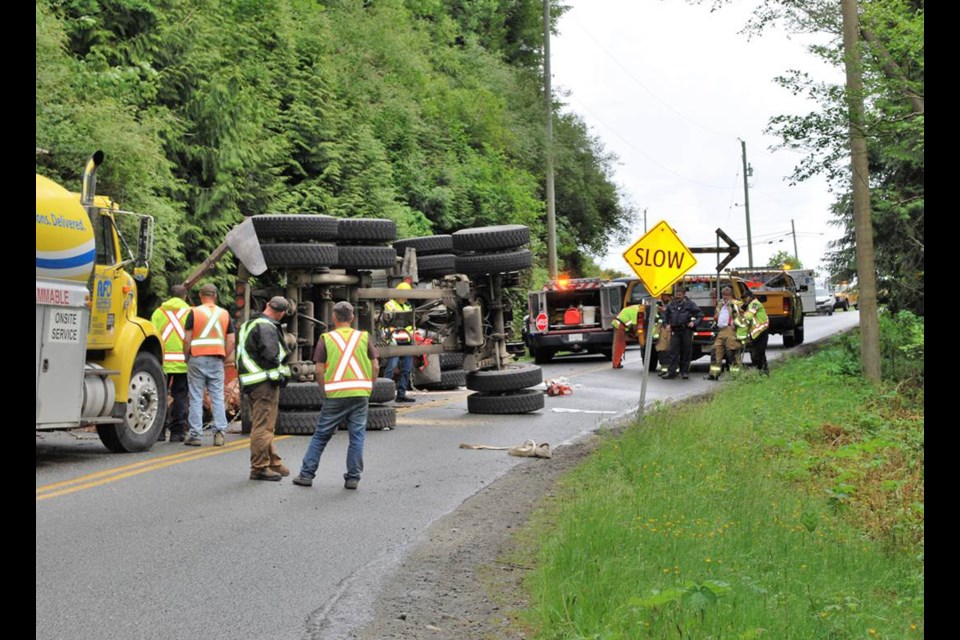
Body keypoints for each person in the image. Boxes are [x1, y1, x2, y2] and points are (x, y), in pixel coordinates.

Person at [293, 301, 378, 490]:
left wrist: (324, 390)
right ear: (352, 318)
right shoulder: (363, 337)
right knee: (357, 436)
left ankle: (306, 475)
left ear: (333, 318)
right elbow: (375, 366)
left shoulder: (326, 338)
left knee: (321, 435)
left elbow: (319, 369)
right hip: (360, 393)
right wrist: (369, 387)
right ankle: (353, 478)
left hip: (335, 395)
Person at [237, 297, 292, 481]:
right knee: (263, 427)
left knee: (265, 424)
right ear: (282, 313)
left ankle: (273, 462)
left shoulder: (249, 323)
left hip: (252, 381)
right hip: (264, 383)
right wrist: (282, 372)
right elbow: (271, 355)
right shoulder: (267, 327)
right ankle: (259, 468)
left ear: (267, 304)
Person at [182, 282, 235, 447]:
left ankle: (195, 435)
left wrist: (186, 356)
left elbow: (187, 338)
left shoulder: (194, 312)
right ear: (216, 296)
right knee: (217, 397)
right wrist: (226, 357)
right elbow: (232, 340)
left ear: (200, 296)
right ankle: (219, 433)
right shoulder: (224, 314)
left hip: (197, 358)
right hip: (216, 359)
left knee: (196, 397)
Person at [150, 284, 191, 442]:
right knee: (180, 396)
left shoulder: (158, 313)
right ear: (185, 296)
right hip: (182, 362)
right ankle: (177, 432)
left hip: (162, 362)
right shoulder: (190, 312)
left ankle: (159, 432)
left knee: (160, 396)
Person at [661, 285, 703, 380]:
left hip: (686, 330)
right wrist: (666, 324)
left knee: (686, 352)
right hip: (675, 331)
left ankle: (684, 372)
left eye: (680, 294)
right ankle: (671, 372)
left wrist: (694, 322)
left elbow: (700, 315)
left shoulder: (690, 304)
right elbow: (665, 315)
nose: (678, 296)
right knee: (672, 352)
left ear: (684, 294)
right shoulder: (672, 304)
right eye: (677, 294)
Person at [382, 282, 415, 403]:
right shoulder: (389, 305)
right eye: (402, 295)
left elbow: (411, 323)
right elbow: (387, 322)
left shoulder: (408, 306)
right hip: (394, 340)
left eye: (406, 295)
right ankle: (384, 394)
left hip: (406, 340)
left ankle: (401, 394)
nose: (404, 297)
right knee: (391, 367)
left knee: (406, 369)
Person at [706, 286, 742, 381]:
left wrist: (735, 323)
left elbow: (742, 316)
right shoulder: (721, 304)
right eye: (723, 295)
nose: (725, 297)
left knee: (732, 352)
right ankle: (714, 374)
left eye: (727, 295)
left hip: (731, 331)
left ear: (731, 295)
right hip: (721, 330)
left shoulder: (735, 304)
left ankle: (735, 375)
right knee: (715, 351)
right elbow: (717, 315)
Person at [741, 290, 770, 375]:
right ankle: (764, 373)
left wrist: (743, 313)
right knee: (760, 354)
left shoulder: (755, 303)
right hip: (757, 334)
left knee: (756, 355)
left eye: (745, 298)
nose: (744, 300)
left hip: (762, 331)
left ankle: (761, 371)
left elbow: (749, 316)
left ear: (750, 297)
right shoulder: (750, 304)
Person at [611, 304, 641, 369]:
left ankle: (616, 362)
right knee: (619, 345)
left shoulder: (635, 308)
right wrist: (637, 336)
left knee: (617, 344)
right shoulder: (636, 312)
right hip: (620, 326)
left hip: (618, 324)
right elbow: (635, 327)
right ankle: (616, 363)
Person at [654, 290, 673, 375]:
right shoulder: (659, 304)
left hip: (670, 328)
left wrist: (665, 310)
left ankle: (672, 369)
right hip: (661, 328)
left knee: (671, 349)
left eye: (665, 295)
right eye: (662, 295)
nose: (663, 297)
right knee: (661, 350)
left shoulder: (674, 304)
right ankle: (664, 369)